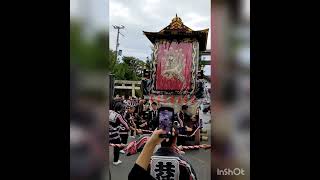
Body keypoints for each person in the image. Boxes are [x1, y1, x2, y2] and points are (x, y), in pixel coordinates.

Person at [128, 129, 197, 180]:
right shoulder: (184, 165)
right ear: (175, 139)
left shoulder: (147, 163)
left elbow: (135, 176)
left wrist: (152, 142)